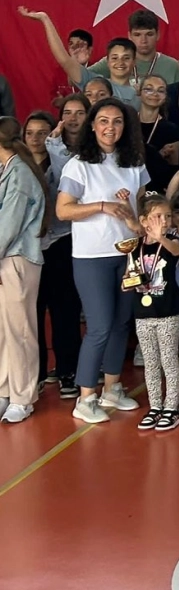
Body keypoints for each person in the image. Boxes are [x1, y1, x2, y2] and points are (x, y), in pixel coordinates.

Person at [57, 98, 149, 424]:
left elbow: (142, 203)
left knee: (122, 323)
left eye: (117, 121)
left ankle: (112, 388)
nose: (111, 127)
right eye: (104, 121)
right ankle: (85, 397)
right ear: (93, 126)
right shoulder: (78, 165)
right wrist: (102, 206)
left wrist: (139, 215)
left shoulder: (133, 162)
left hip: (128, 253)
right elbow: (63, 210)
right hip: (92, 257)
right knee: (99, 326)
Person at [119, 195, 179, 431]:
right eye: (158, 216)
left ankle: (171, 407)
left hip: (168, 312)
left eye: (168, 216)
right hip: (143, 314)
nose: (164, 221)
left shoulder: (171, 240)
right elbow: (127, 277)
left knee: (169, 360)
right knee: (150, 362)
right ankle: (155, 406)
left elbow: (176, 251)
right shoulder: (134, 247)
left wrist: (160, 238)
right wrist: (127, 282)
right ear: (144, 221)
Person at [25, 108, 80, 400]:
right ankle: (35, 373)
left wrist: (56, 147)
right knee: (31, 313)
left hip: (60, 243)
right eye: (30, 133)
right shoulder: (15, 166)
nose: (35, 139)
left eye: (42, 133)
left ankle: (67, 371)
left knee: (64, 311)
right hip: (27, 247)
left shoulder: (63, 163)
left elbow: (67, 183)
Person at [0, 116, 48, 423]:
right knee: (5, 331)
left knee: (20, 330)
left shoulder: (19, 173)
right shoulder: (8, 170)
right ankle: (6, 389)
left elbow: (8, 225)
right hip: (6, 258)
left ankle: (23, 396)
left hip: (17, 258)